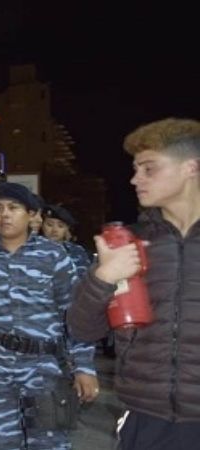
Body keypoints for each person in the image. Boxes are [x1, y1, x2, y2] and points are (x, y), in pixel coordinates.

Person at [67, 118, 200, 450]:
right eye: (135, 169)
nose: (135, 179)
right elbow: (82, 329)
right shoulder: (128, 243)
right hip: (145, 418)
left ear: (191, 167)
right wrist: (103, 278)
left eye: (149, 168)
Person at [0, 182, 98, 450]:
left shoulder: (53, 256)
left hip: (44, 368)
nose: (4, 215)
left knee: (50, 443)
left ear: (31, 215)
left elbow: (74, 313)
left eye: (13, 208)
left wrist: (83, 366)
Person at [42, 204, 91, 277]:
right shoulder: (32, 249)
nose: (54, 230)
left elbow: (84, 278)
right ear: (42, 225)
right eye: (50, 224)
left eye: (60, 226)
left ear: (67, 229)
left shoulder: (77, 251)